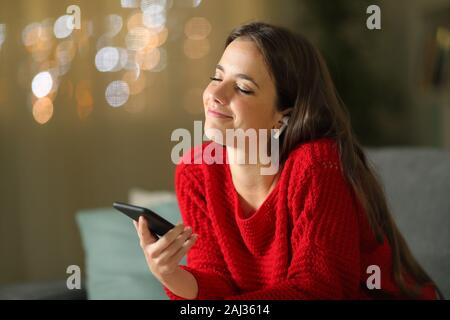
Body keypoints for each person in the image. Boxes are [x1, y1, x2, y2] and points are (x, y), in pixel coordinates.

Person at [133, 22, 441, 300]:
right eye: (217, 76)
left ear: (284, 116)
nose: (216, 93)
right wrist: (170, 274)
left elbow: (318, 290)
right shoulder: (195, 171)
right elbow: (215, 280)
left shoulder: (316, 165)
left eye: (242, 88)